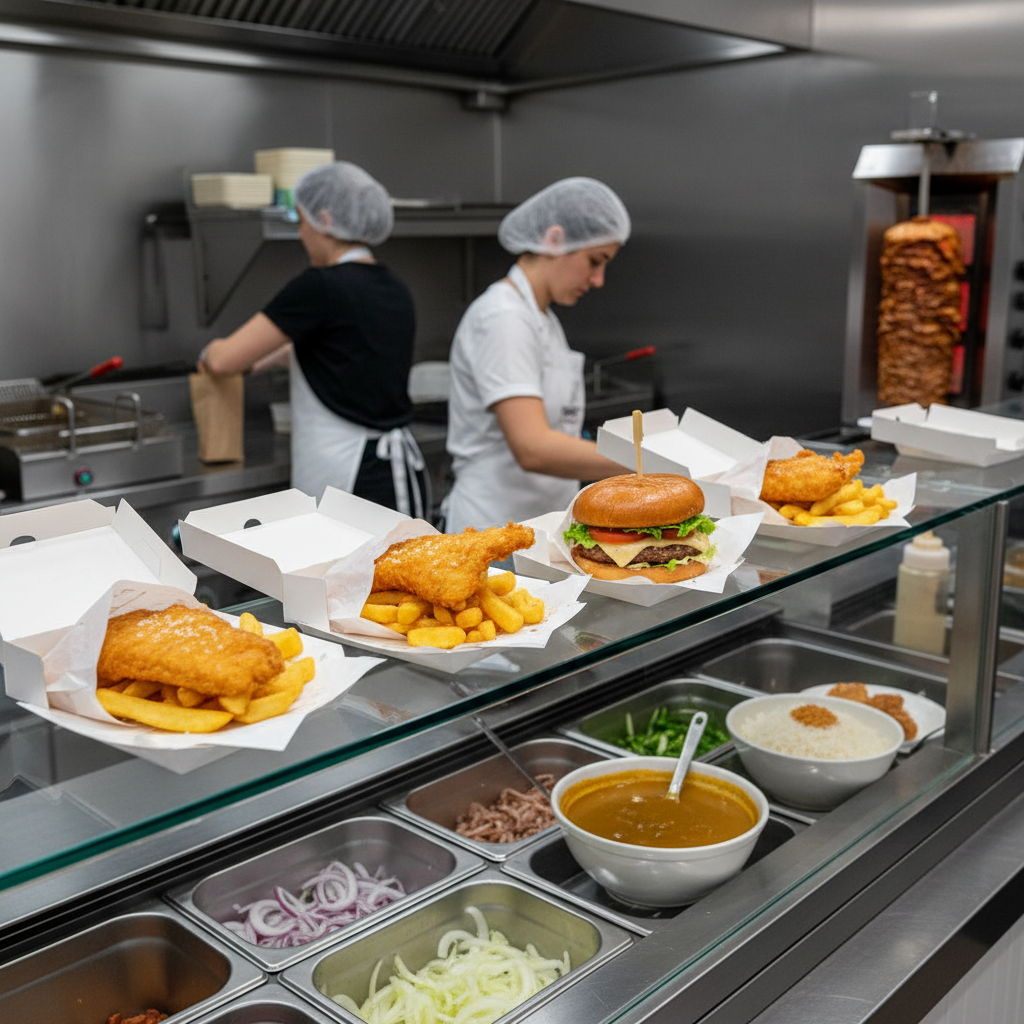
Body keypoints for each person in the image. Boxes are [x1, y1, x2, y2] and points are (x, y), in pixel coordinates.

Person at [198, 161, 426, 517]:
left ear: (326, 220)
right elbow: (344, 349)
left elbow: (225, 360)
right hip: (391, 474)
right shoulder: (392, 286)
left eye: (302, 222)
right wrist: (269, 358)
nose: (301, 233)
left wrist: (211, 350)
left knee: (339, 573)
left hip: (348, 481)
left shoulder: (319, 286)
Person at [443, 177, 630, 533]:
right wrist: (647, 461)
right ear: (555, 239)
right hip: (493, 531)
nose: (598, 279)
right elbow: (533, 448)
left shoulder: (543, 317)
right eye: (595, 260)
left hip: (541, 526)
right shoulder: (503, 317)